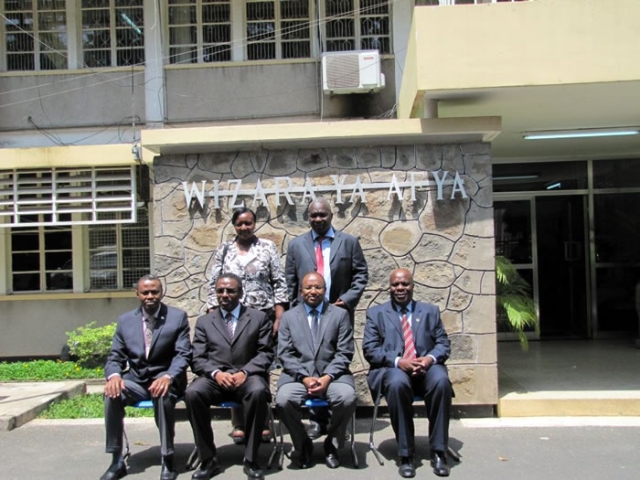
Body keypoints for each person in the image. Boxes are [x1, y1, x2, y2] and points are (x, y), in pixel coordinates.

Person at [284, 196, 367, 438]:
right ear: (308, 218)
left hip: (337, 315)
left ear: (331, 216)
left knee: (335, 361)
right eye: (314, 215)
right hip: (306, 315)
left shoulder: (349, 242)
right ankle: (318, 420)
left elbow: (361, 274)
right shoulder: (296, 245)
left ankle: (336, 416)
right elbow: (291, 281)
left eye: (323, 215)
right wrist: (292, 312)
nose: (318, 219)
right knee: (310, 361)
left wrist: (347, 301)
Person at [206, 207, 287, 444]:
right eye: (240, 223)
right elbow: (214, 283)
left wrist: (280, 315)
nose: (244, 227)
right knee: (232, 363)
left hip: (261, 316)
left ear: (255, 224)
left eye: (249, 223)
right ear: (234, 225)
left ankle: (263, 421)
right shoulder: (224, 250)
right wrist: (213, 314)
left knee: (261, 367)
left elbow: (279, 281)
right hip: (230, 317)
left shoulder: (267, 247)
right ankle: (238, 422)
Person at [362, 268, 453, 478]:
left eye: (405, 284)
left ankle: (439, 451)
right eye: (395, 285)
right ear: (389, 287)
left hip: (426, 369)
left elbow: (443, 344)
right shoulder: (376, 314)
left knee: (441, 381)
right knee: (396, 384)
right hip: (393, 370)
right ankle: (406, 454)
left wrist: (429, 359)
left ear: (412, 286)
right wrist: (398, 361)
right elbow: (370, 349)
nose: (400, 288)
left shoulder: (430, 311)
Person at [100, 275, 192, 480]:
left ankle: (167, 459)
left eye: (154, 292)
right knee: (112, 393)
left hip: (166, 380)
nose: (150, 296)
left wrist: (168, 376)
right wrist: (114, 376)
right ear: (137, 294)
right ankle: (116, 459)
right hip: (138, 381)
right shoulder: (125, 321)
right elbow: (115, 355)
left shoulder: (177, 317)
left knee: (162, 394)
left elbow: (183, 354)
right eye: (145, 292)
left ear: (161, 293)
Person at [186, 273, 274, 480]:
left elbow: (266, 353)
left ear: (240, 293)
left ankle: (251, 459)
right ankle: (208, 460)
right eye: (220, 291)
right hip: (215, 379)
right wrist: (216, 374)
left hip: (247, 375)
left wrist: (246, 372)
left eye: (230, 291)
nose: (225, 295)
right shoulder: (205, 321)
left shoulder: (258, 318)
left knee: (258, 391)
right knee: (192, 393)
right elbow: (197, 358)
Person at [275, 272, 356, 469]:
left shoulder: (340, 315)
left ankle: (332, 445)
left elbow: (344, 352)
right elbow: (285, 354)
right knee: (283, 400)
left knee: (347, 397)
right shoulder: (288, 317)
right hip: (298, 377)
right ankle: (303, 446)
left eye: (318, 287)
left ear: (325, 290)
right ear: (301, 291)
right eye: (308, 288)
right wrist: (304, 377)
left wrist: (327, 377)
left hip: (333, 376)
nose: (313, 292)